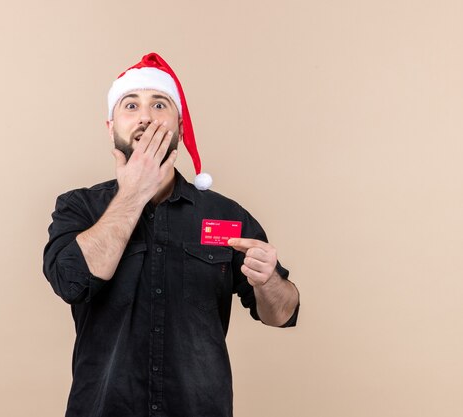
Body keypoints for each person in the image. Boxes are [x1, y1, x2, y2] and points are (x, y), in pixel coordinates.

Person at [43, 52, 300, 417]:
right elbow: (71, 282)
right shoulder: (78, 208)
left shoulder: (225, 215)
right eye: (131, 105)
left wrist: (268, 279)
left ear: (180, 127)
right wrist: (132, 192)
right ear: (110, 127)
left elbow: (283, 313)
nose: (145, 116)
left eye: (159, 104)